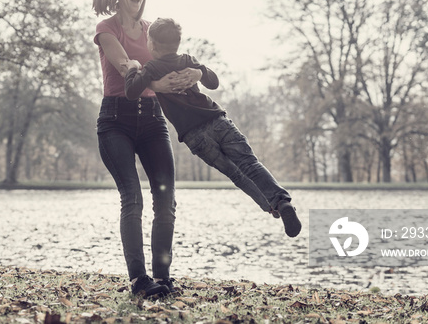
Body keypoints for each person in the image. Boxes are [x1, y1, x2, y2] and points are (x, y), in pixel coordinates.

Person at [123, 18, 302, 238]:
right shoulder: (187, 59)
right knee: (250, 164)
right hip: (217, 121)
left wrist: (133, 68)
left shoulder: (151, 68)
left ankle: (270, 207)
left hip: (194, 136)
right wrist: (200, 72)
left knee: (236, 174)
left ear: (152, 45)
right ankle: (281, 202)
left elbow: (132, 92)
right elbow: (214, 83)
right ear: (178, 42)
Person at [92, 0, 201, 298]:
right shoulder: (106, 29)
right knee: (133, 198)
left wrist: (193, 75)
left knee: (165, 200)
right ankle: (139, 281)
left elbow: (176, 64)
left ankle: (163, 278)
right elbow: (126, 67)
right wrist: (154, 80)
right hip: (115, 121)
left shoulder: (153, 30)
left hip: (153, 121)